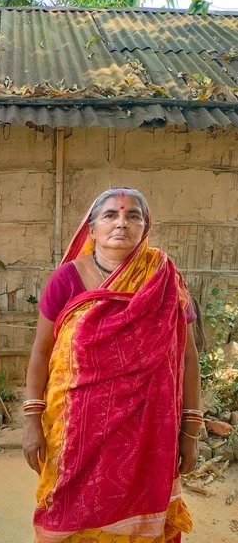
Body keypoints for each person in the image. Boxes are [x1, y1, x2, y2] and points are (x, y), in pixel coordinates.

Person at [22, 188, 201, 543]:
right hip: (75, 433)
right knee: (67, 515)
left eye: (133, 215)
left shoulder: (164, 279)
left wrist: (191, 430)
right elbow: (41, 353)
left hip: (149, 433)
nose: (122, 222)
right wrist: (31, 420)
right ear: (91, 230)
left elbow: (187, 356)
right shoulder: (67, 280)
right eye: (110, 215)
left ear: (146, 227)